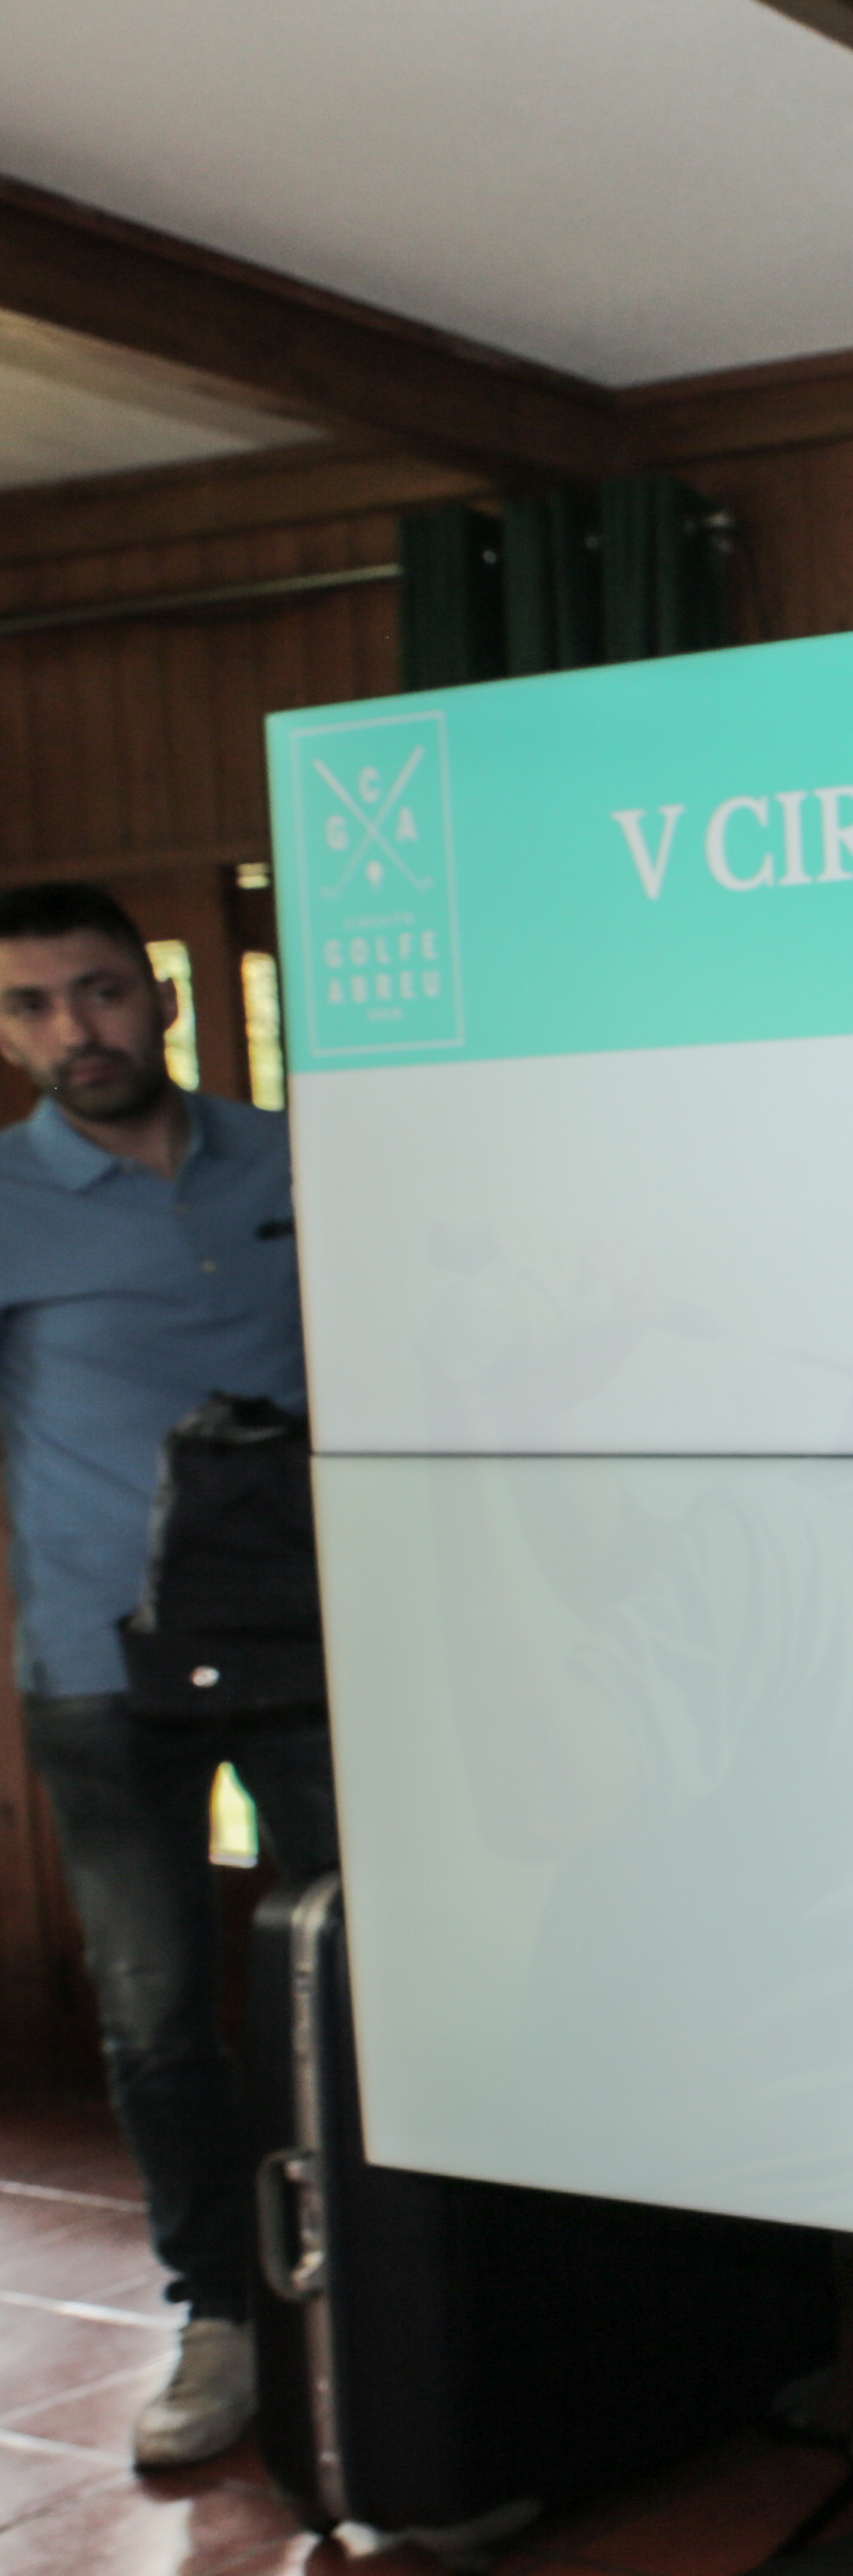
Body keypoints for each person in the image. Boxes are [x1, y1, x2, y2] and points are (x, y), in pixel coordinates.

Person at [0, 883, 335, 2468]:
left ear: (163, 997)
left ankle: (381, 2281)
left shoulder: (294, 1156)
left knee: (361, 1975)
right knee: (154, 2015)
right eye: (32, 1005)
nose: (76, 1030)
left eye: (100, 991)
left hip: (308, 1649)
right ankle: (219, 2317)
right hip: (97, 1667)